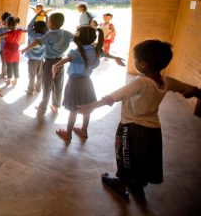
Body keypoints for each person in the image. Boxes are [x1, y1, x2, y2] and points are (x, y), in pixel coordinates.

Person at [77, 40, 201, 200]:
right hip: (153, 129)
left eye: (135, 59)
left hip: (131, 127)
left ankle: (121, 184)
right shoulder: (167, 81)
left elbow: (115, 96)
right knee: (143, 157)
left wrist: (91, 106)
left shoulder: (141, 82)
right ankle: (138, 185)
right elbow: (188, 88)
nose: (134, 61)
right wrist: (196, 93)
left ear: (143, 64)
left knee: (125, 155)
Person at [51, 26, 104, 143]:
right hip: (87, 82)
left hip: (74, 83)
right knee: (87, 109)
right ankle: (84, 131)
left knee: (73, 110)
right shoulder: (96, 49)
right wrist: (114, 57)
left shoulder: (77, 52)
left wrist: (55, 66)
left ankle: (68, 134)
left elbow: (67, 59)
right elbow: (105, 55)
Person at [21, 13, 74, 114]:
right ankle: (56, 105)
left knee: (47, 85)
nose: (47, 23)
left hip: (50, 63)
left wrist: (26, 48)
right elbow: (75, 39)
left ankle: (43, 107)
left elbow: (37, 42)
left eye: (48, 21)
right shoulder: (67, 33)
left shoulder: (50, 34)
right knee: (58, 85)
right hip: (61, 62)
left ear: (52, 24)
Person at [0, 16, 26, 86]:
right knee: (16, 65)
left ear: (8, 24)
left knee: (9, 66)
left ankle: (9, 80)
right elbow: (26, 30)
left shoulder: (8, 33)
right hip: (16, 52)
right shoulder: (19, 31)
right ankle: (15, 80)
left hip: (8, 52)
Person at [25, 21, 47, 94]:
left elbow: (29, 26)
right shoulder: (46, 36)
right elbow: (49, 30)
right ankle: (38, 88)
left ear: (34, 28)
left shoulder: (31, 35)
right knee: (40, 75)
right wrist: (47, 17)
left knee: (32, 75)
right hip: (41, 59)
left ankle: (31, 90)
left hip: (32, 60)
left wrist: (37, 15)